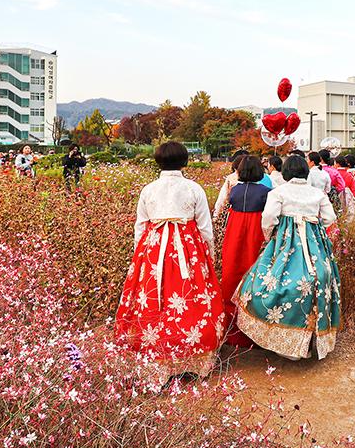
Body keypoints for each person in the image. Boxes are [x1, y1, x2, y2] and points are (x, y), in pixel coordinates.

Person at [115, 141, 225, 382]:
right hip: (188, 247)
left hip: (154, 248)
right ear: (185, 161)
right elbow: (205, 227)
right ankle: (193, 351)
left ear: (158, 161)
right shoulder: (194, 188)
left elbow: (140, 225)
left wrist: (139, 256)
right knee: (191, 297)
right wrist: (210, 255)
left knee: (155, 297)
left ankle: (156, 350)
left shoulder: (149, 189)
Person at [235, 155, 342, 361]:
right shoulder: (317, 193)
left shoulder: (279, 192)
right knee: (319, 280)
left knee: (272, 283)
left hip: (285, 243)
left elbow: (268, 219)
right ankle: (312, 337)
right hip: (313, 245)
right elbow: (330, 218)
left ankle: (282, 338)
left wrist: (270, 237)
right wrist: (315, 227)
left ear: (285, 173)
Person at [219, 156, 271, 349]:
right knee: (255, 273)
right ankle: (255, 327)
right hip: (255, 233)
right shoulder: (266, 192)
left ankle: (232, 327)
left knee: (232, 272)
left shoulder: (235, 190)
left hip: (234, 232)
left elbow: (224, 209)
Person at [212, 151, 247, 219]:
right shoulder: (257, 178)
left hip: (234, 212)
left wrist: (216, 215)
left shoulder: (231, 178)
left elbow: (223, 197)